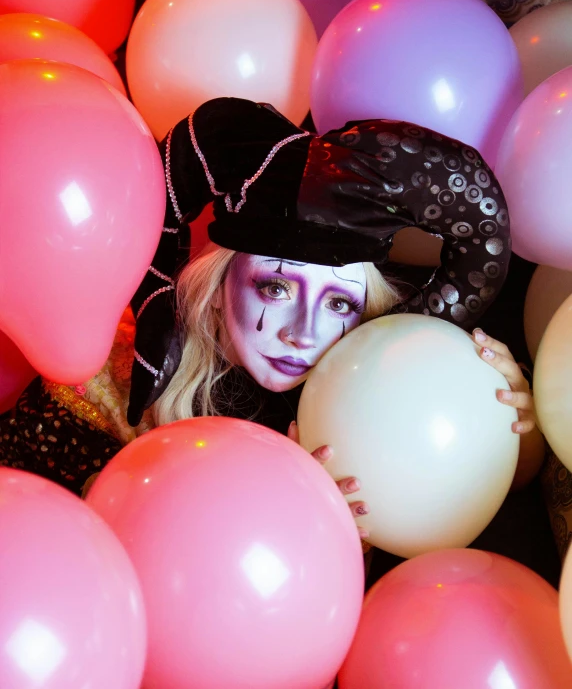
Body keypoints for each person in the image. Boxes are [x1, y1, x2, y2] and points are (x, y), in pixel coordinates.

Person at [0, 98, 544, 545]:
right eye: (276, 287)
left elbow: (490, 495)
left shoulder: (399, 380)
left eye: (339, 304)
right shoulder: (111, 376)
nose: (302, 333)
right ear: (215, 291)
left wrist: (513, 426)